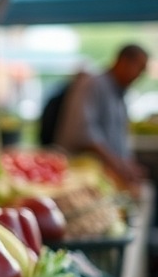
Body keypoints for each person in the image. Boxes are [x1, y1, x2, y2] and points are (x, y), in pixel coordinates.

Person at [53, 44, 149, 189]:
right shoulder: (93, 84)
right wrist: (118, 165)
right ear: (123, 62)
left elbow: (116, 137)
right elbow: (84, 133)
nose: (139, 76)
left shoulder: (119, 92)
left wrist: (127, 165)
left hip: (107, 179)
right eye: (139, 69)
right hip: (82, 179)